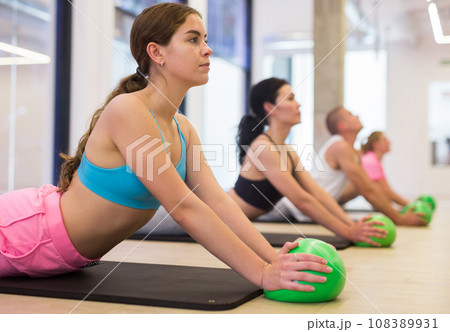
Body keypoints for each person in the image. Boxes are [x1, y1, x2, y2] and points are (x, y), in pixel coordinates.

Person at [0, 3, 332, 292]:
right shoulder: (128, 110)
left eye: (205, 39)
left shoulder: (183, 129)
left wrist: (273, 257)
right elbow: (185, 208)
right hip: (24, 232)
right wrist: (262, 273)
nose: (207, 49)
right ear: (156, 53)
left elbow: (217, 201)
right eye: (193, 39)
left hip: (57, 255)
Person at [228, 78, 387, 246]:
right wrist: (348, 232)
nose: (299, 105)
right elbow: (302, 201)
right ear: (270, 108)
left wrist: (352, 225)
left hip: (238, 220)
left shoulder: (288, 151)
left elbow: (318, 194)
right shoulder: (263, 148)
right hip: (222, 217)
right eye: (290, 99)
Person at [282, 106, 426, 226]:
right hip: (289, 208)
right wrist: (399, 218)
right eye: (350, 115)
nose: (356, 116)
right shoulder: (340, 146)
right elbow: (367, 190)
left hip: (312, 207)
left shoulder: (352, 150)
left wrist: (396, 211)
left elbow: (368, 186)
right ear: (342, 126)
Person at [361, 131, 409, 207]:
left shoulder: (372, 159)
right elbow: (386, 191)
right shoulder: (370, 161)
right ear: (376, 145)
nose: (389, 142)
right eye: (385, 140)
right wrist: (410, 205)